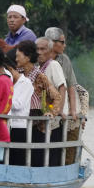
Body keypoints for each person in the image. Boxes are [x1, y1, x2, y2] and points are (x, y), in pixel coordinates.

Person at [16, 40, 60, 166]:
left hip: (36, 122)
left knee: (35, 158)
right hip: (20, 121)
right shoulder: (17, 73)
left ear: (28, 57)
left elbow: (57, 96)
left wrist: (51, 113)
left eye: (18, 56)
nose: (16, 59)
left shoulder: (39, 76)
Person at [44, 26, 81, 164]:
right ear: (52, 42)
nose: (64, 45)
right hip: (43, 111)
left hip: (59, 113)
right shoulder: (39, 59)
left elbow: (70, 86)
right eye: (62, 42)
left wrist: (72, 109)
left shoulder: (64, 60)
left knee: (57, 146)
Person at [36, 36, 68, 166]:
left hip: (54, 120)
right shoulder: (38, 67)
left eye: (43, 49)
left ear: (50, 51)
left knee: (53, 154)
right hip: (44, 119)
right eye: (37, 49)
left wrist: (59, 110)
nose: (39, 52)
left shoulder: (53, 65)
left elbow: (62, 87)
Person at [5, 48, 34, 166]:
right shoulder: (9, 82)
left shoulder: (26, 83)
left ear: (10, 70)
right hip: (7, 125)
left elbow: (19, 104)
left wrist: (3, 100)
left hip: (19, 127)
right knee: (7, 158)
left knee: (17, 160)